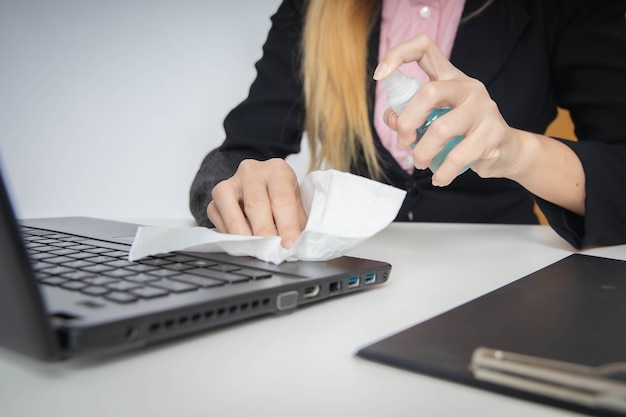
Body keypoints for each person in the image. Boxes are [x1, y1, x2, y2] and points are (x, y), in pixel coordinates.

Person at [190, 0, 626, 250]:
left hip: (502, 274)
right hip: (352, 271)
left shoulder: (565, 7)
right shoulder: (312, 10)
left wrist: (515, 152)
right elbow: (236, 155)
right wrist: (243, 184)